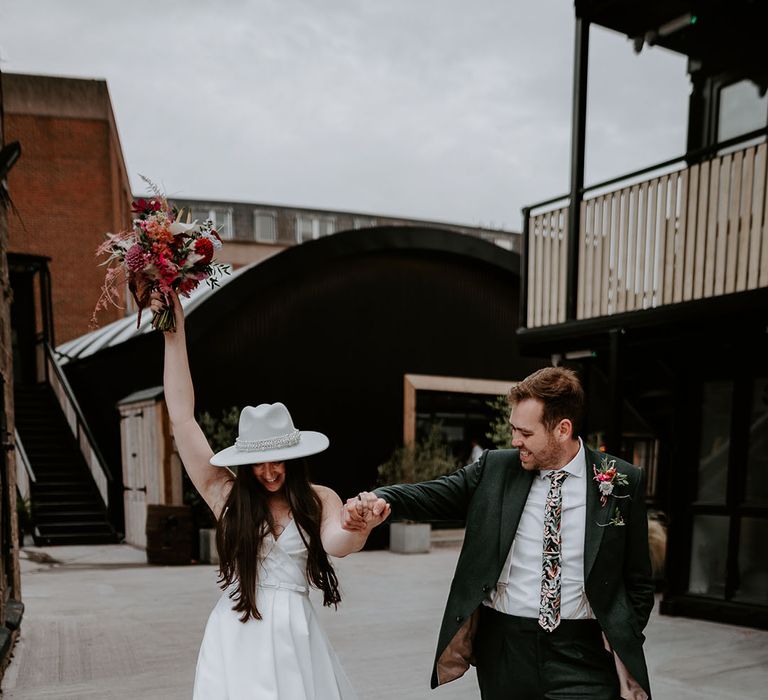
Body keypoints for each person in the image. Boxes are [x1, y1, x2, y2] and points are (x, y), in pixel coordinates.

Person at [344, 367, 654, 700]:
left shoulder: (620, 480)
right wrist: (381, 499)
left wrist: (625, 631)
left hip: (584, 653)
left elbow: (638, 579)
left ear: (563, 429)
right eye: (513, 429)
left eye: (525, 432)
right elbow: (433, 494)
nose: (515, 440)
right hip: (505, 649)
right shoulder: (495, 468)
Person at [152, 291, 389, 700]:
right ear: (245, 464)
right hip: (237, 633)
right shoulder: (225, 493)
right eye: (259, 464)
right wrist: (175, 335)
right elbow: (182, 417)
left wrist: (359, 527)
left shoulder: (318, 499)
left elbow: (338, 543)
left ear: (294, 457)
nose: (269, 472)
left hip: (295, 637)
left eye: (279, 460)